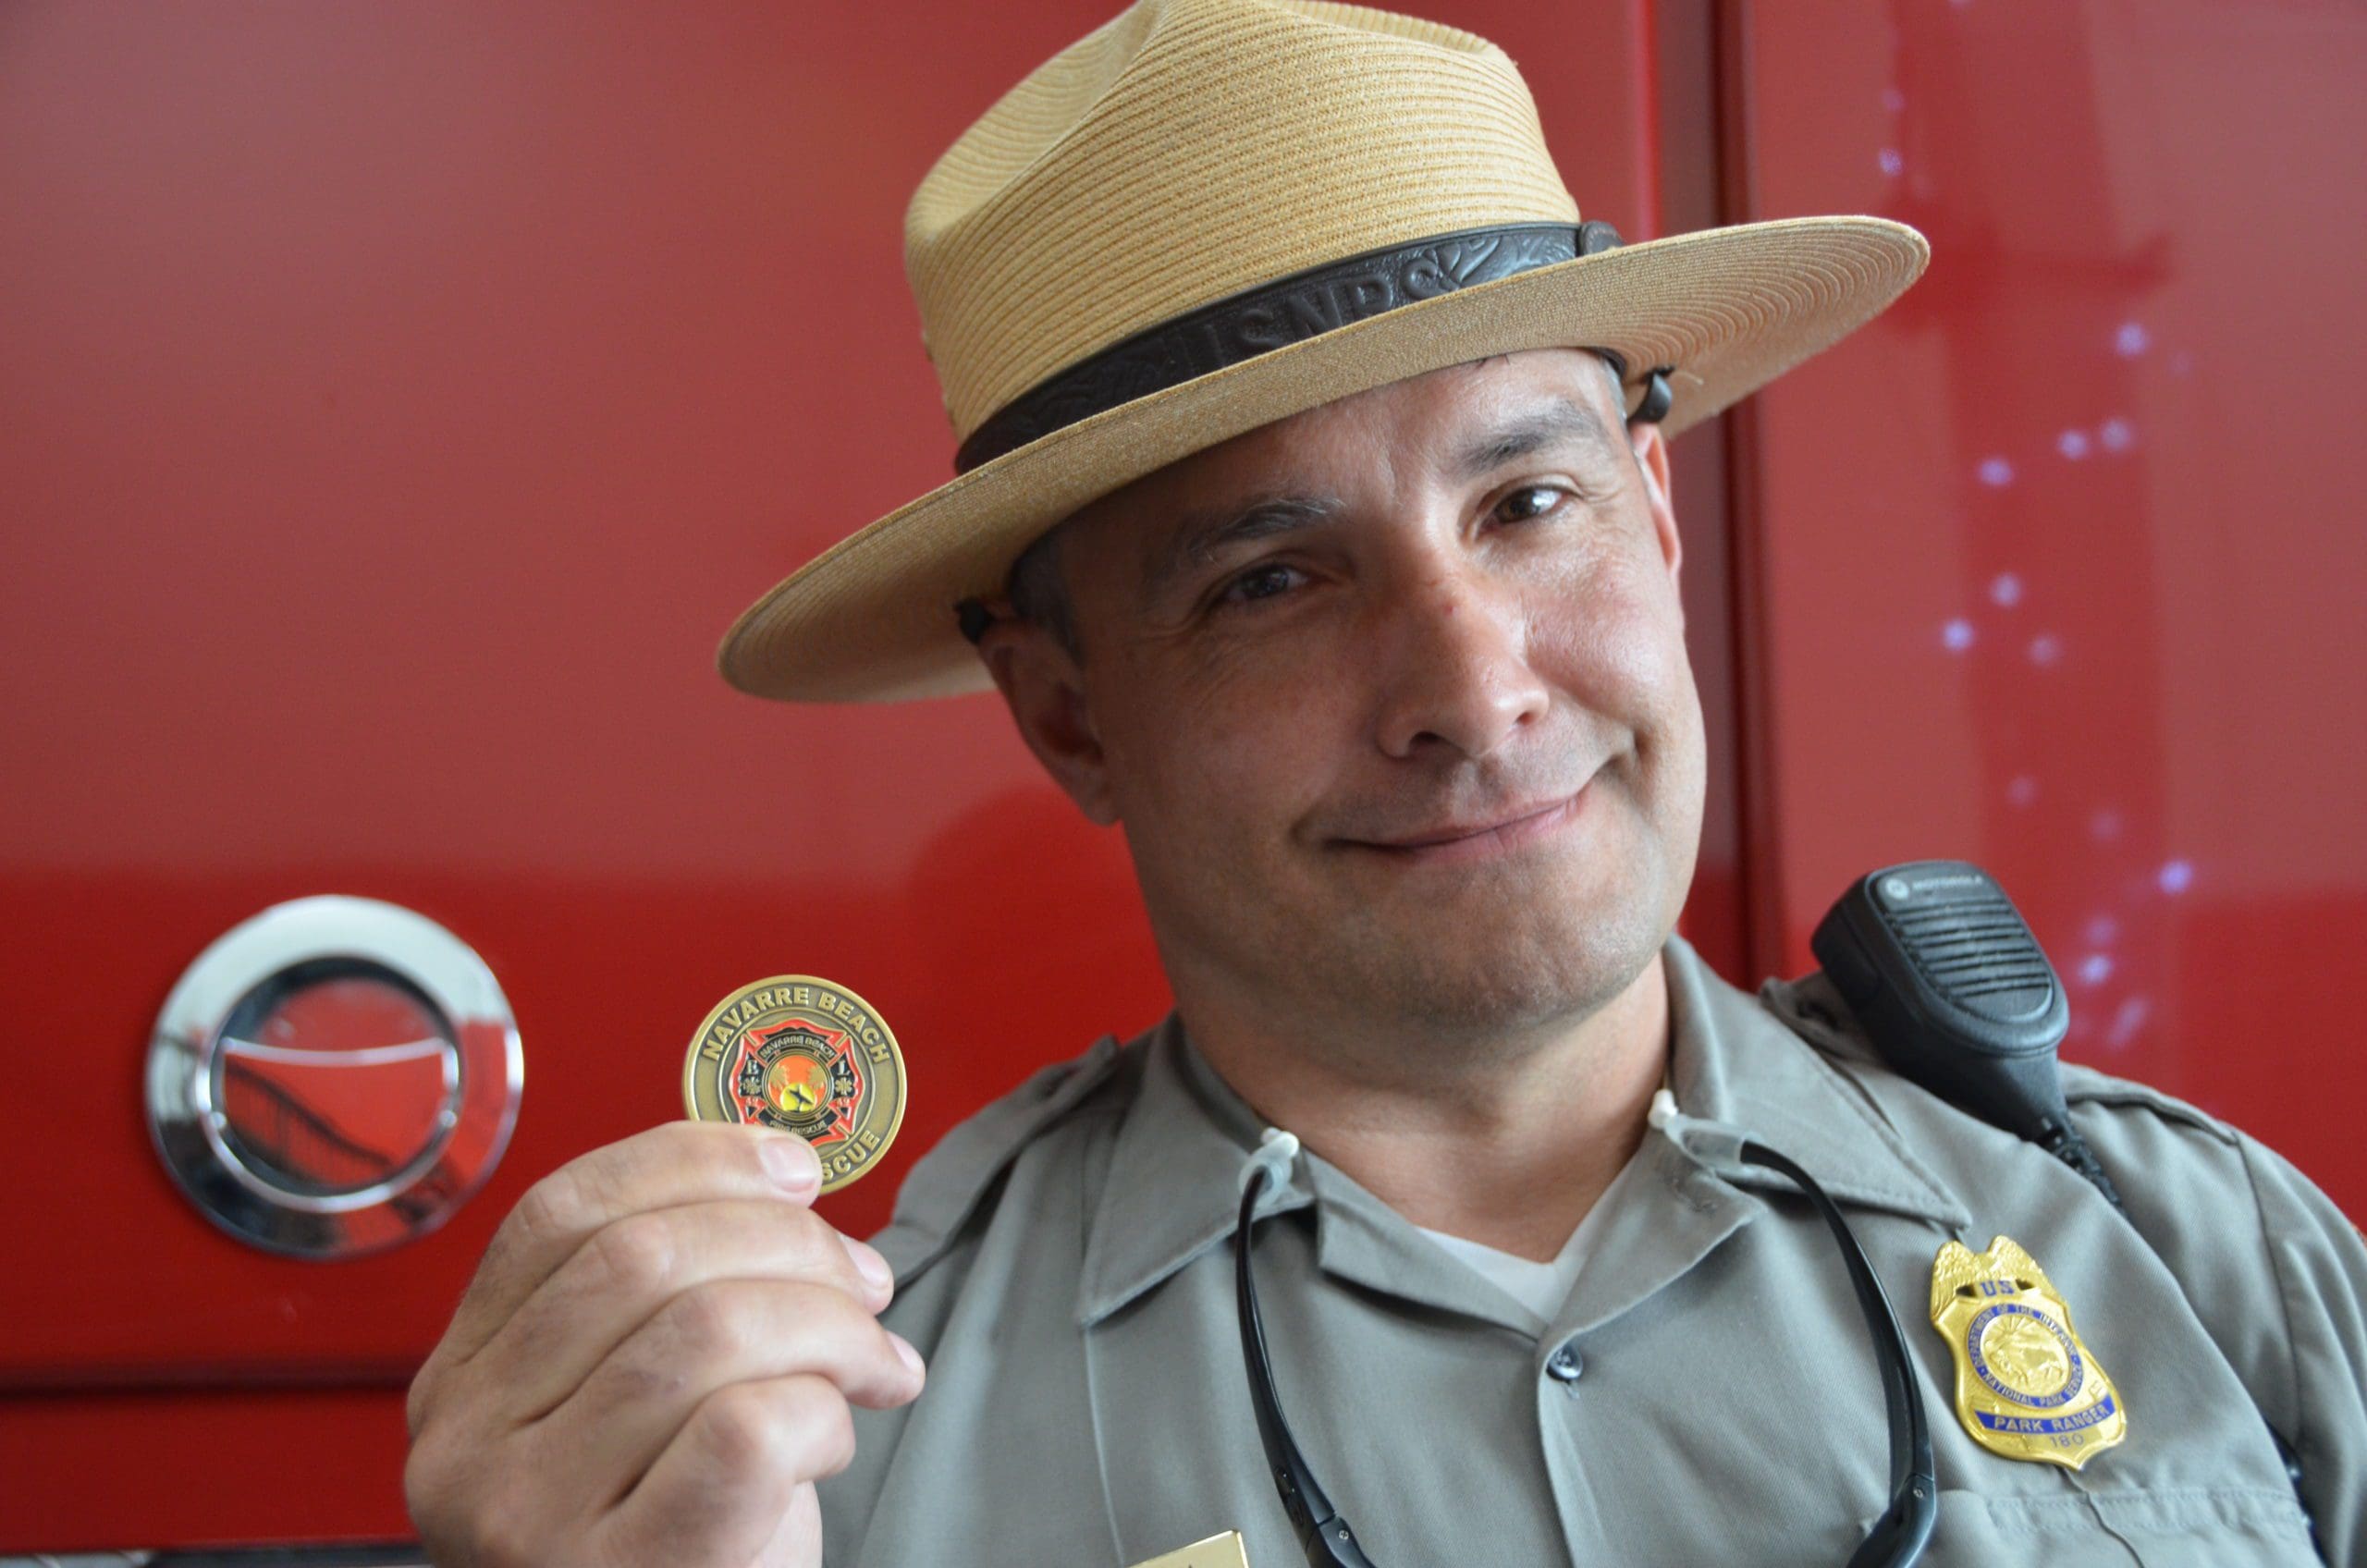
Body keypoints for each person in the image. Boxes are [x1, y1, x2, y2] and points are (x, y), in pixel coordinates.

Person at [399, 0, 2367, 1563]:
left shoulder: (2190, 1246)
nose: (1469, 684)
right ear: (1067, 714)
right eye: (1270, 581)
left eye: (1527, 501)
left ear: (1658, 526)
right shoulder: (820, 1428)